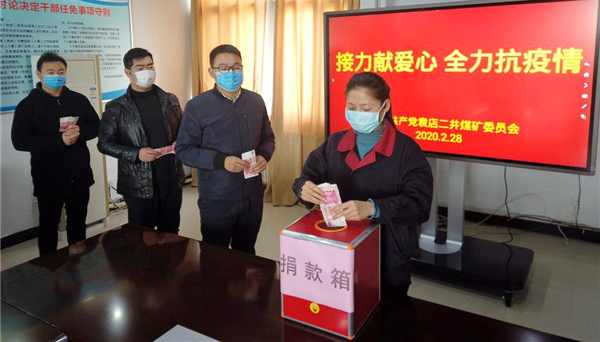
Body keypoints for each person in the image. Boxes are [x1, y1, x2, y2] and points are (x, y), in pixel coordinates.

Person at [292, 71, 433, 299]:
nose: (358, 114)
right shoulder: (335, 142)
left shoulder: (406, 150)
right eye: (352, 108)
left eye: (366, 109)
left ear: (385, 106)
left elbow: (419, 204)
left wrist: (372, 208)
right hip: (338, 244)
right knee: (340, 302)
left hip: (388, 252)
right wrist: (304, 188)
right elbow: (307, 176)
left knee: (387, 309)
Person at [176, 44, 275, 254]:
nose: (231, 72)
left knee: (246, 250)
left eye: (236, 67)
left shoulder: (256, 101)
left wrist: (264, 155)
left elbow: (268, 137)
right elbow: (184, 150)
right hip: (217, 196)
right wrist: (221, 161)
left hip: (252, 193)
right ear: (212, 72)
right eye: (223, 68)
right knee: (215, 254)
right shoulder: (197, 106)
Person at [11, 51, 100, 256]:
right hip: (48, 177)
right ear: (39, 74)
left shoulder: (78, 100)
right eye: (50, 72)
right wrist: (59, 141)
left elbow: (96, 126)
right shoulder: (28, 106)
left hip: (79, 175)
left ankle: (78, 263)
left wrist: (80, 132)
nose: (56, 75)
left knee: (78, 223)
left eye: (61, 71)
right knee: (48, 226)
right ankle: (47, 269)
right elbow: (20, 141)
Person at [98, 48, 184, 234]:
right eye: (140, 67)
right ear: (128, 72)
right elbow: (104, 143)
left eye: (150, 66)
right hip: (138, 183)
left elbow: (183, 130)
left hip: (171, 178)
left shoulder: (170, 99)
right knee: (141, 236)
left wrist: (182, 142)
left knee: (171, 233)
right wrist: (136, 153)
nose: (147, 71)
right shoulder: (116, 107)